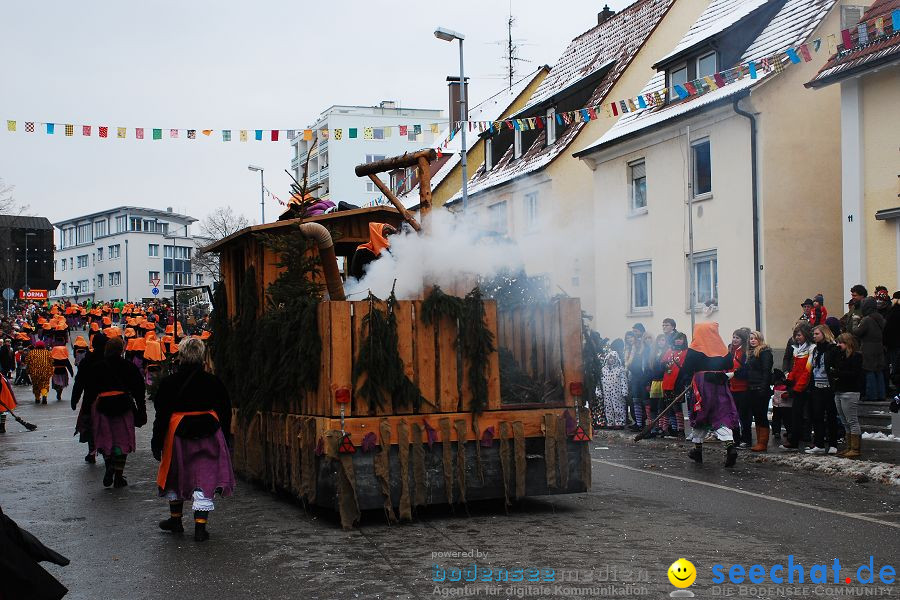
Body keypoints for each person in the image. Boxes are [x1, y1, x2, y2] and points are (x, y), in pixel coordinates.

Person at [152, 338, 234, 542]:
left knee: (176, 474)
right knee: (204, 475)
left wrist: (157, 440)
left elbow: (161, 414)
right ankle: (200, 527)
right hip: (210, 432)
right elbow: (225, 410)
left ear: (181, 356)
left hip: (178, 433)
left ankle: (176, 520)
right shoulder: (213, 381)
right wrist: (226, 436)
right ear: (202, 356)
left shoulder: (170, 383)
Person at [81, 337, 146, 488]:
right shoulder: (129, 367)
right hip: (124, 407)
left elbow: (89, 392)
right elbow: (139, 389)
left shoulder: (96, 367)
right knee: (122, 442)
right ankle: (118, 475)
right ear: (121, 350)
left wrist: (86, 412)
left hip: (102, 408)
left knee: (104, 439)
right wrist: (141, 410)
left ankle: (109, 463)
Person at [677, 323, 739, 466]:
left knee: (701, 414)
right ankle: (730, 447)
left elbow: (686, 369)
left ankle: (698, 450)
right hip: (719, 384)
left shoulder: (694, 349)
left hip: (702, 385)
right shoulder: (721, 347)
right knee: (721, 414)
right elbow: (729, 363)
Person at [71, 333, 107, 463]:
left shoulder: (87, 361)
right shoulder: (111, 360)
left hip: (90, 399)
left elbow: (79, 382)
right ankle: (108, 452)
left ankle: (92, 452)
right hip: (110, 400)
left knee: (91, 427)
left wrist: (74, 399)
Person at [805, 325, 839, 455]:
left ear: (824, 334)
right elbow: (812, 367)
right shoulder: (815, 350)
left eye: (816, 334)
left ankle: (833, 443)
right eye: (813, 334)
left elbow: (835, 366)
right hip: (816, 386)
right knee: (817, 416)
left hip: (829, 387)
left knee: (831, 416)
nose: (814, 336)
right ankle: (819, 443)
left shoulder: (832, 349)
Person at [779, 324, 813, 451]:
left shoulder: (812, 348)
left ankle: (807, 439)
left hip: (806, 387)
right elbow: (795, 368)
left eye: (799, 335)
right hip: (798, 386)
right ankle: (794, 440)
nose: (797, 338)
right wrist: (789, 379)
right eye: (796, 335)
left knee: (808, 414)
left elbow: (807, 371)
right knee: (796, 414)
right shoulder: (797, 349)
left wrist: (797, 387)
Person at [831, 333, 864, 458]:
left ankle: (855, 448)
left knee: (852, 420)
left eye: (841, 343)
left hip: (850, 391)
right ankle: (849, 446)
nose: (839, 345)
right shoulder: (841, 357)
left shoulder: (856, 356)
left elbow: (854, 374)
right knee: (845, 421)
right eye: (838, 343)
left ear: (848, 343)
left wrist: (838, 373)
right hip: (839, 391)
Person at [850, 297, 886, 402]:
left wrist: (855, 321)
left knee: (869, 371)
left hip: (868, 348)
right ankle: (881, 394)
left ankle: (872, 395)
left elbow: (857, 332)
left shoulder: (867, 319)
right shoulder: (880, 318)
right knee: (879, 371)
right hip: (879, 347)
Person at [746, 331, 774, 451]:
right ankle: (759, 441)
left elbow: (766, 371)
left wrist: (763, 387)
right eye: (751, 338)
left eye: (755, 339)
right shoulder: (752, 353)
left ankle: (763, 442)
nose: (752, 340)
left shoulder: (764, 352)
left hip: (760, 388)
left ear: (760, 339)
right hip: (752, 387)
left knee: (761, 415)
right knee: (757, 415)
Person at [661, 332, 689, 436]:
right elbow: (662, 364)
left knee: (677, 407)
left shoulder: (687, 352)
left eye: (680, 339)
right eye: (676, 339)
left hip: (678, 383)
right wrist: (665, 366)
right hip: (667, 382)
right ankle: (667, 428)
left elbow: (686, 368)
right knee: (668, 407)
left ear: (684, 340)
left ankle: (681, 430)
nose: (678, 341)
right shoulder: (669, 351)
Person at [728, 328, 752, 448]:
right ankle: (736, 439)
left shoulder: (744, 352)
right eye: (733, 337)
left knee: (744, 416)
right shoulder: (732, 351)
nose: (734, 340)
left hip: (743, 388)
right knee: (734, 415)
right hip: (733, 387)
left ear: (742, 340)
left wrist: (735, 373)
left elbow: (746, 370)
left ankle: (747, 439)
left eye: (737, 338)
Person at [647, 334, 670, 437]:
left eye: (663, 340)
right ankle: (654, 427)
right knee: (653, 406)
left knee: (662, 406)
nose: (661, 342)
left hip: (663, 381)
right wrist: (648, 383)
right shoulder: (653, 354)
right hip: (654, 382)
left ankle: (663, 427)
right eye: (660, 340)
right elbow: (650, 370)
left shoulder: (668, 353)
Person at [599, 352, 628, 429]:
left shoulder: (620, 369)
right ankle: (610, 422)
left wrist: (624, 391)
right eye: (610, 358)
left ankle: (620, 422)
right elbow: (600, 381)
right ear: (607, 359)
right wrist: (599, 391)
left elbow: (624, 380)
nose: (611, 360)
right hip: (606, 392)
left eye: (613, 358)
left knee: (618, 407)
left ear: (616, 359)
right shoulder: (603, 369)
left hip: (617, 392)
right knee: (608, 407)